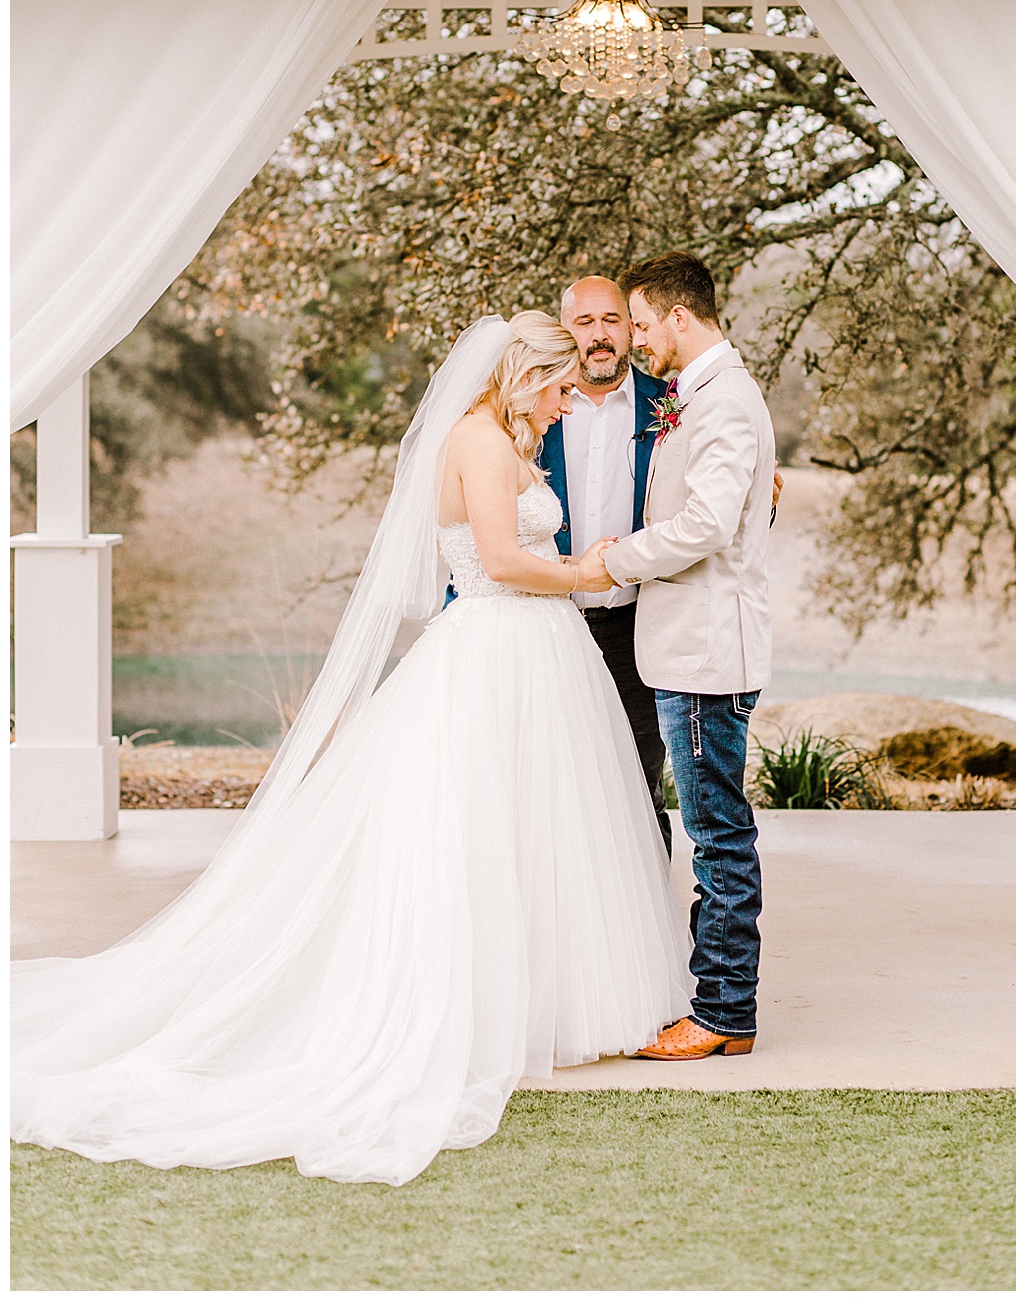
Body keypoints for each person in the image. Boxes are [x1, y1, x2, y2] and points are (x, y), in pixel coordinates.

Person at [12, 313, 690, 1187]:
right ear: (530, 374)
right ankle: (465, 1006)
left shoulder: (508, 437)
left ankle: (538, 1000)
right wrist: (590, 572)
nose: (566, 407)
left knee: (539, 828)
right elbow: (501, 561)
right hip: (494, 648)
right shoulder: (479, 441)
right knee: (475, 828)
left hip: (538, 654)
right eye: (561, 390)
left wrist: (574, 570)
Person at [602, 254, 776, 1062]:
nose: (636, 341)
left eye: (639, 324)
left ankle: (722, 1014)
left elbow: (706, 525)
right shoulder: (699, 397)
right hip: (685, 647)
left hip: (705, 654)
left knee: (717, 837)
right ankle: (719, 1006)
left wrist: (617, 558)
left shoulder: (727, 402)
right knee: (714, 829)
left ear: (678, 315)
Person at [542, 275, 672, 851]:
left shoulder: (670, 405)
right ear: (564, 330)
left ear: (631, 329)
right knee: (545, 784)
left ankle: (650, 936)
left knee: (639, 784)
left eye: (611, 321)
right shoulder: (532, 406)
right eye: (584, 322)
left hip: (636, 627)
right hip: (547, 623)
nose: (599, 336)